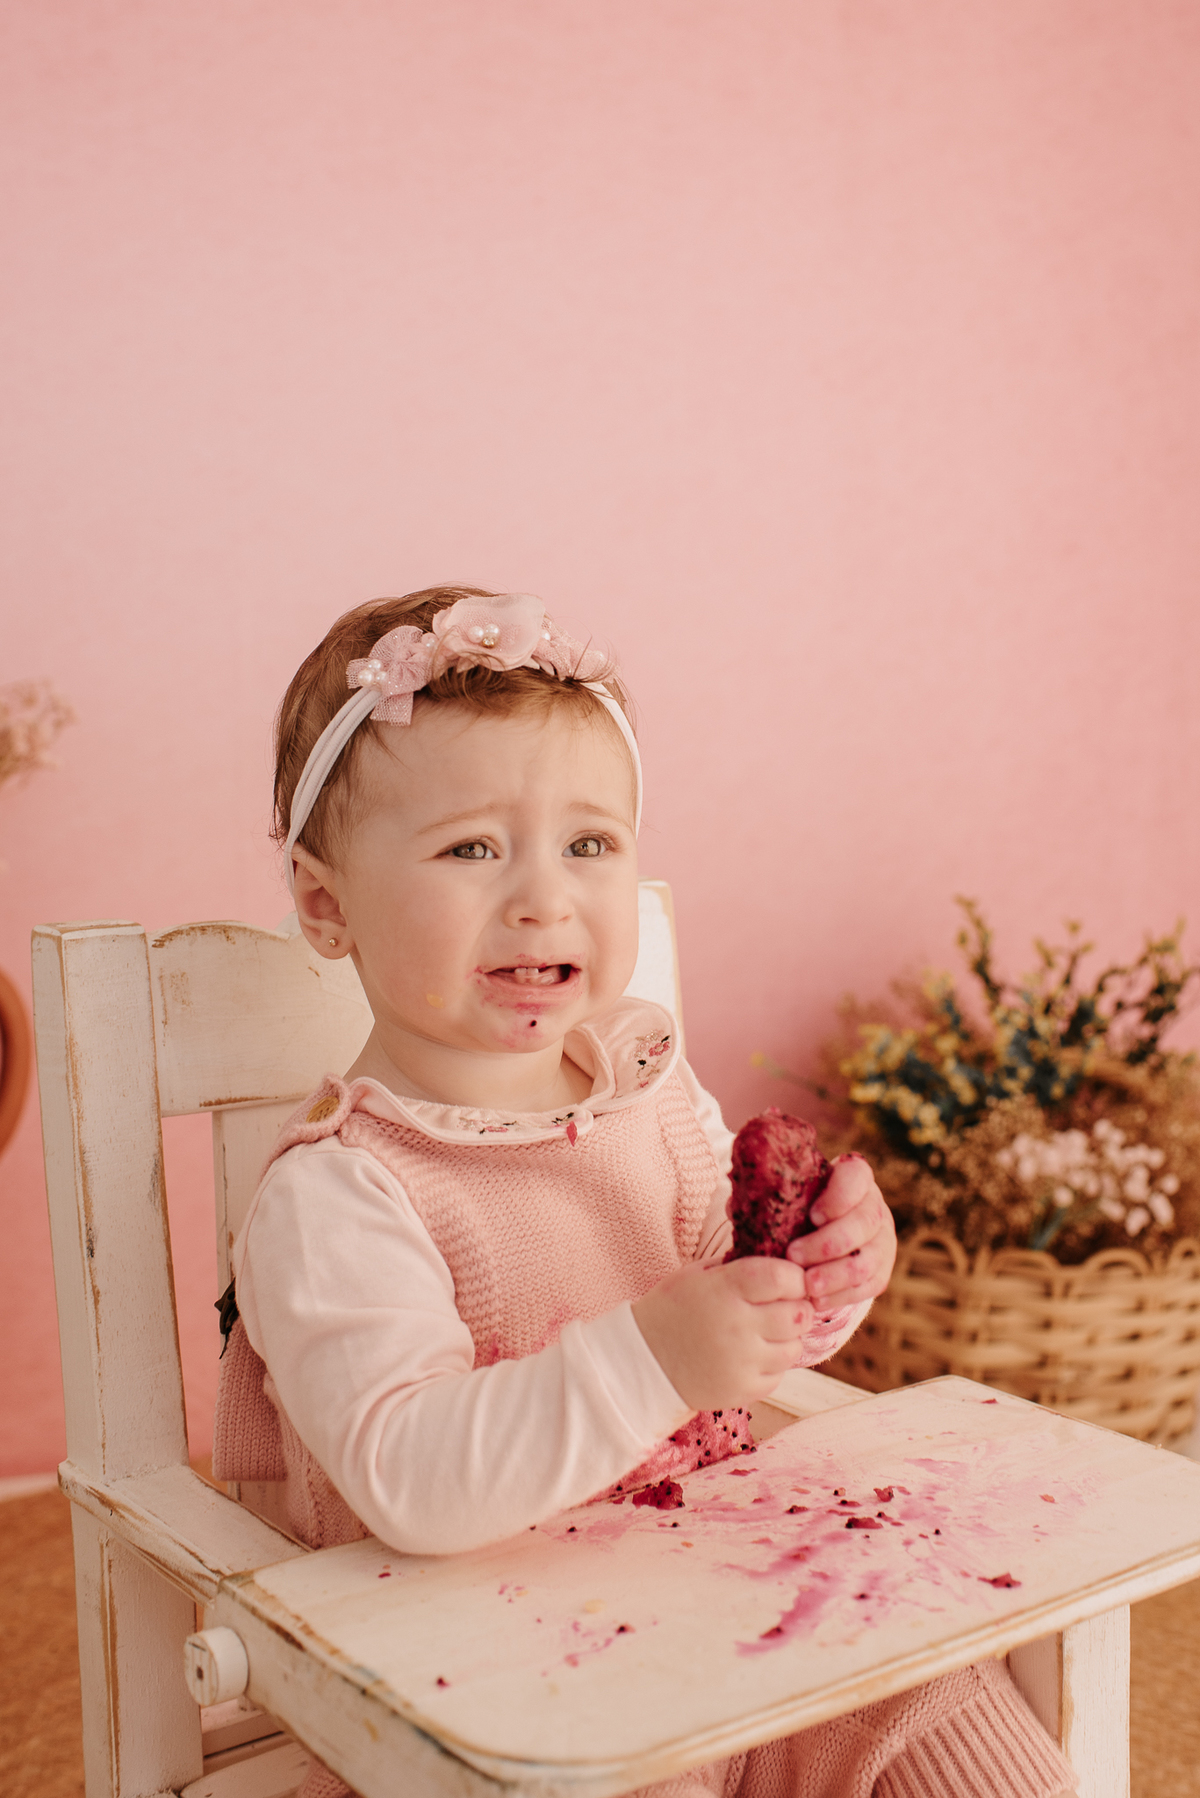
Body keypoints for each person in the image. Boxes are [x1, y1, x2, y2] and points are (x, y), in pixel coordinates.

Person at [215, 587, 1075, 1798]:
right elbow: (410, 1479)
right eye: (472, 848)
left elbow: (737, 1320)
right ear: (325, 902)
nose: (543, 897)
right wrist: (654, 1359)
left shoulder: (646, 1089)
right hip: (496, 1683)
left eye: (589, 844)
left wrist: (822, 1275)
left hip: (731, 1586)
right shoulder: (342, 1194)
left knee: (949, 1712)